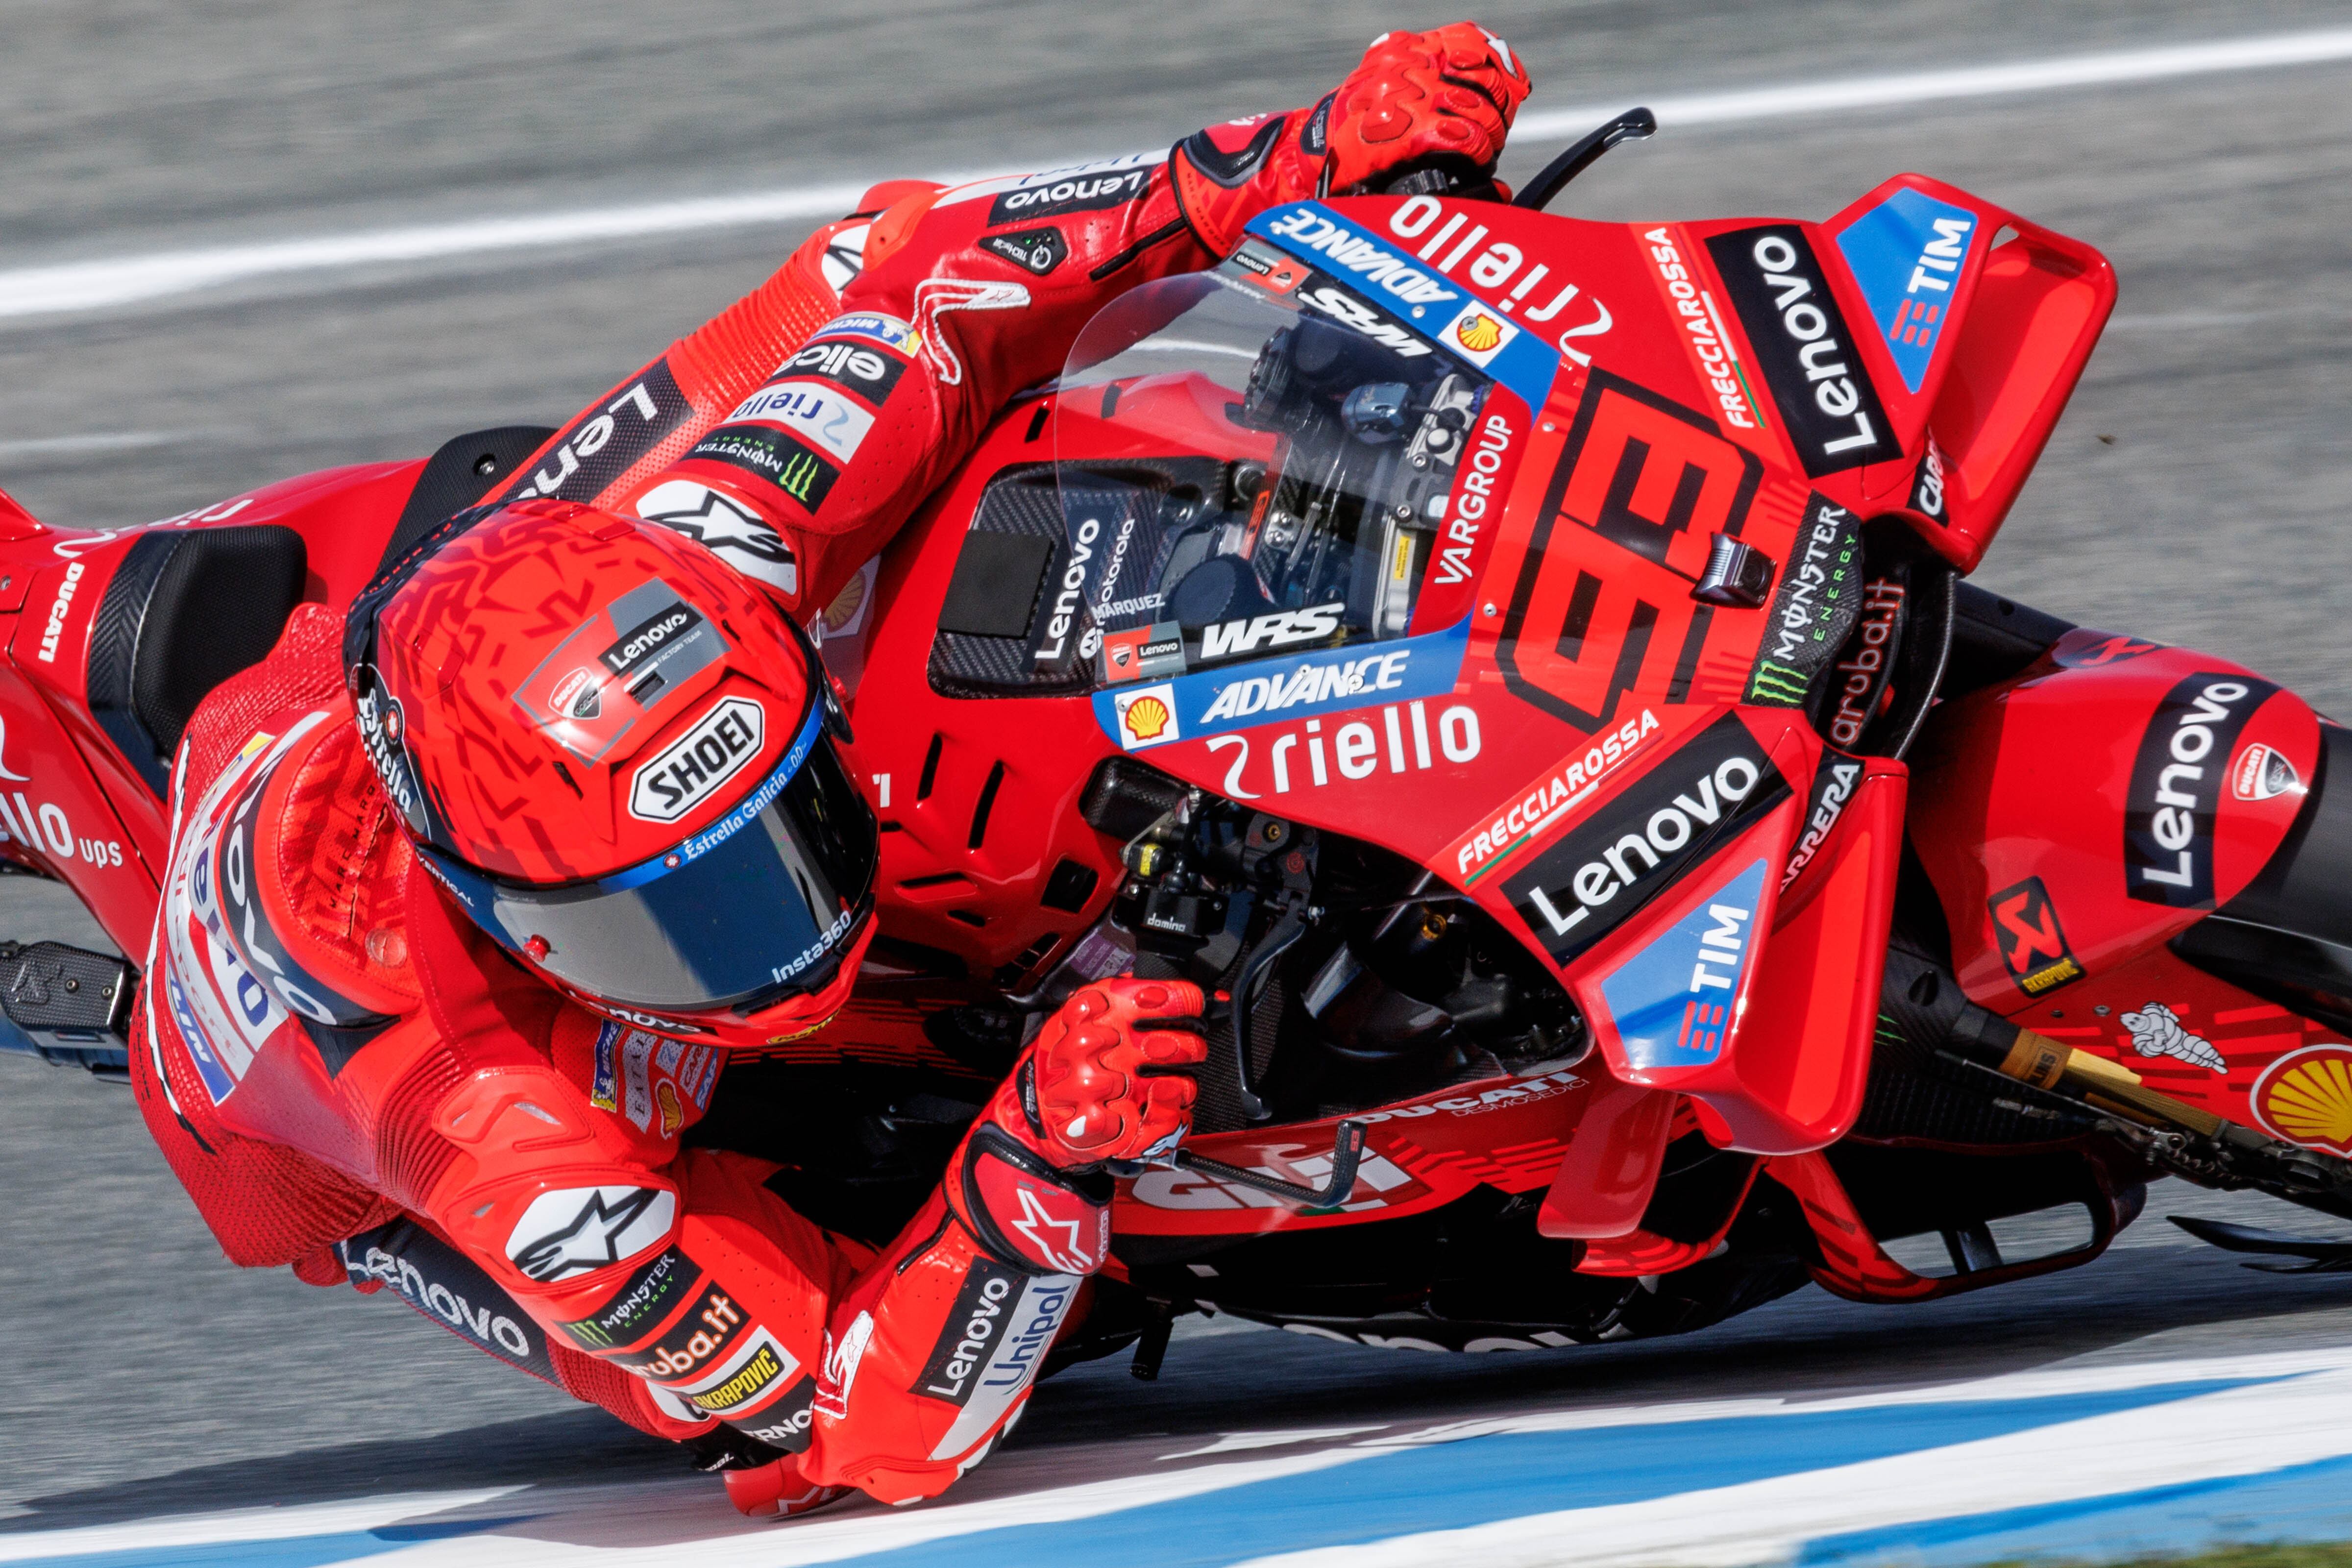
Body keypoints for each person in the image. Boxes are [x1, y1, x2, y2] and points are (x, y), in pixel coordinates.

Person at [130, 24, 1531, 1518]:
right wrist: (1032, 1166)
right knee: (847, 1328)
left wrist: (1290, 155)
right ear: (520, 921)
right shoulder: (522, 1158)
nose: (791, 932)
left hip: (378, 661)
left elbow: (938, 281)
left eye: (783, 830)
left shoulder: (717, 539)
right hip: (302, 1127)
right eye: (684, 915)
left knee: (861, 289)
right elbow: (855, 1427)